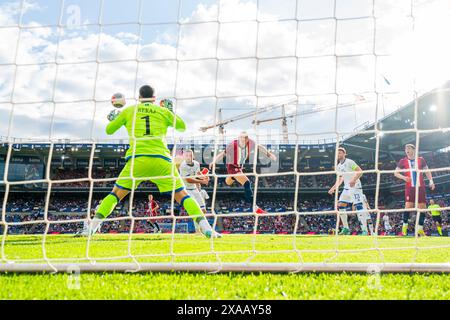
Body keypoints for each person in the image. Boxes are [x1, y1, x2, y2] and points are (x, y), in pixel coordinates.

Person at [86, 85, 221, 239]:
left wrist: (116, 119)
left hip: (138, 160)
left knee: (116, 194)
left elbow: (109, 130)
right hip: (161, 160)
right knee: (183, 195)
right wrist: (169, 110)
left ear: (139, 97)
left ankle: (91, 228)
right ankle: (207, 229)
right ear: (154, 98)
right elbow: (182, 127)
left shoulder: (129, 111)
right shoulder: (162, 111)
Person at [209, 132, 277, 214]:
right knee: (247, 183)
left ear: (247, 139)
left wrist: (269, 154)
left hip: (239, 168)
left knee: (228, 182)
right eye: (241, 137)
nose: (242, 140)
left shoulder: (250, 143)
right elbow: (222, 154)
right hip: (232, 167)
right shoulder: (232, 145)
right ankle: (254, 207)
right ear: (238, 138)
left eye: (244, 138)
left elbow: (259, 147)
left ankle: (225, 177)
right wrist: (214, 161)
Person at [394, 144, 435, 236]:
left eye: (409, 148)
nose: (407, 150)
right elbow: (395, 173)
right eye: (405, 149)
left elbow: (427, 171)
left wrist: (431, 181)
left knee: (422, 208)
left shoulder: (421, 160)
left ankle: (420, 229)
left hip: (421, 187)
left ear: (414, 150)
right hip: (410, 187)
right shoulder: (403, 161)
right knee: (408, 206)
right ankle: (404, 228)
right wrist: (404, 178)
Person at [328, 147, 365, 235]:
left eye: (340, 153)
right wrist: (333, 188)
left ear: (345, 154)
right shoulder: (338, 166)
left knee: (358, 206)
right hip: (347, 188)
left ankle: (364, 229)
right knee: (340, 204)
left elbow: (360, 171)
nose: (339, 154)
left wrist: (353, 180)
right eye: (337, 153)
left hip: (355, 186)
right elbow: (341, 179)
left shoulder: (349, 162)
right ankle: (346, 228)